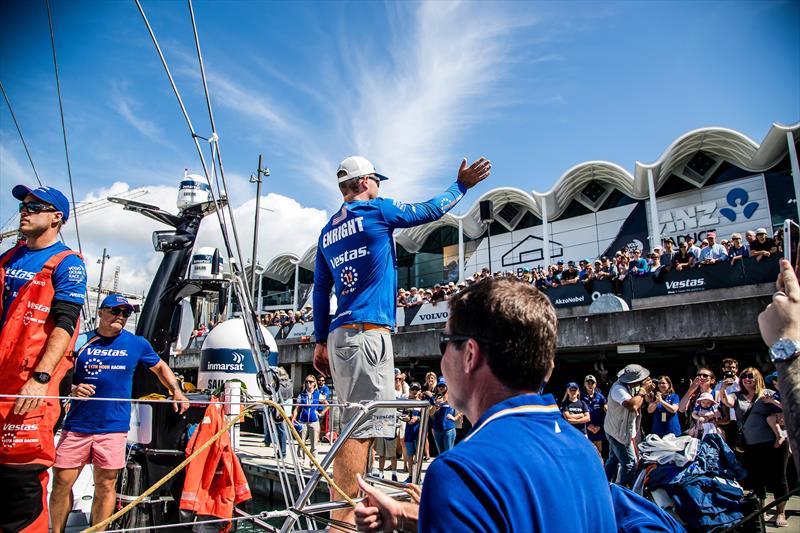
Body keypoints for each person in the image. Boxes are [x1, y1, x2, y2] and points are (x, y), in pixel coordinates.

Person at [353, 278, 616, 532]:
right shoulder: (585, 452)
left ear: (469, 354)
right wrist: (420, 517)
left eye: (444, 343)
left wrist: (449, 504)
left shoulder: (459, 473)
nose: (441, 358)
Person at [312, 154, 490, 527]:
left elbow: (321, 287)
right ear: (364, 183)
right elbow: (427, 210)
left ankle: (347, 512)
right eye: (377, 180)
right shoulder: (376, 210)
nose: (380, 186)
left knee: (355, 423)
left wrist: (318, 340)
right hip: (367, 332)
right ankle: (340, 522)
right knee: (360, 428)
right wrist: (462, 186)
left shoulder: (328, 230)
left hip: (340, 335)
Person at [49, 294, 189, 533]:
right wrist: (72, 388)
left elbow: (160, 367)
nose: (120, 317)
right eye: (115, 311)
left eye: (126, 313)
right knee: (62, 483)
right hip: (76, 426)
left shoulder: (137, 344)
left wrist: (176, 391)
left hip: (112, 428)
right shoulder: (80, 341)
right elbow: (57, 373)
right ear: (101, 312)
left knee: (105, 484)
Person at [0, 184, 87, 533]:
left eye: (35, 206)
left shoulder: (67, 264)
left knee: (21, 480)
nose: (25, 210)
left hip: (28, 388)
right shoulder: (8, 257)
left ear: (57, 217)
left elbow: (65, 324)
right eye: (24, 205)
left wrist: (41, 378)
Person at [720, 367, 790, 527]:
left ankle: (780, 512)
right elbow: (726, 402)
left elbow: (788, 409)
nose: (747, 378)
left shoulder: (767, 394)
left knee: (779, 477)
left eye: (750, 376)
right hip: (751, 444)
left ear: (757, 377)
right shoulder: (736, 395)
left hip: (774, 442)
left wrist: (781, 418)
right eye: (744, 376)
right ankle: (761, 510)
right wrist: (724, 387)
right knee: (757, 478)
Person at [604, 364, 655, 487]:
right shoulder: (618, 389)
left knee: (613, 459)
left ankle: (604, 484)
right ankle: (626, 490)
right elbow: (633, 405)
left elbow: (647, 401)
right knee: (630, 463)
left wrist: (648, 391)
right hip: (618, 432)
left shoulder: (633, 386)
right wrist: (642, 391)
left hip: (615, 429)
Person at [291, 374, 328, 467]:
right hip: (303, 421)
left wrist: (321, 413)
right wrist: (294, 418)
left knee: (314, 444)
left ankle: (313, 462)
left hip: (314, 421)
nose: (308, 383)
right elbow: (297, 408)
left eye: (310, 382)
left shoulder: (317, 394)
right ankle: (300, 461)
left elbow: (327, 405)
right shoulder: (302, 394)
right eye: (306, 381)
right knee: (301, 443)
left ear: (314, 384)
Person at [429, 377, 458, 454]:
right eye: (439, 386)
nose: (441, 388)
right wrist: (435, 405)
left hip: (448, 429)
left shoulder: (452, 397)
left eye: (443, 386)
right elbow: (430, 414)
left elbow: (463, 409)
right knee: (441, 454)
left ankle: (449, 466)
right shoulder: (434, 398)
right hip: (437, 429)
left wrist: (455, 418)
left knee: (448, 454)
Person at [582, 374, 607, 458]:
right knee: (587, 451)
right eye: (588, 383)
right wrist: (587, 425)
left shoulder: (600, 397)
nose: (590, 385)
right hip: (586, 428)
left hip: (598, 429)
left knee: (598, 452)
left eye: (592, 383)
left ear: (595, 384)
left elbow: (606, 413)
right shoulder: (580, 397)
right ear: (584, 384)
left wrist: (600, 427)